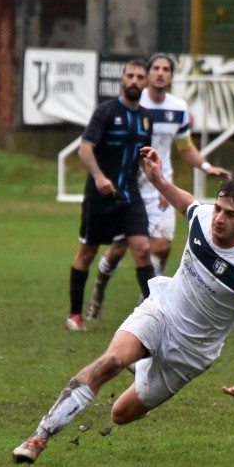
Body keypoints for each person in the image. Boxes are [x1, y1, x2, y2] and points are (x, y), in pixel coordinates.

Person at [13, 146, 234, 464]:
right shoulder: (204, 218)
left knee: (119, 414)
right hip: (161, 312)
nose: (219, 218)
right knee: (110, 362)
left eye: (230, 215)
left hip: (190, 354)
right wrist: (159, 180)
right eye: (218, 208)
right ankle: (38, 437)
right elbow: (185, 202)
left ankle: (141, 365)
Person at [86, 53, 231, 321]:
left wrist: (206, 167)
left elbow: (185, 148)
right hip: (130, 186)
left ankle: (150, 303)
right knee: (119, 249)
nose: (161, 73)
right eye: (156, 69)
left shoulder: (178, 108)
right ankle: (98, 292)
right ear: (147, 74)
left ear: (172, 76)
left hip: (160, 186)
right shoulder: (133, 104)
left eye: (166, 69)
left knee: (161, 246)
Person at [65, 58, 155, 331]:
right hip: (100, 195)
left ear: (146, 82)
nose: (135, 81)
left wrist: (159, 186)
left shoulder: (146, 119)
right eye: (130, 76)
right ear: (122, 79)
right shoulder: (105, 111)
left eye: (140, 77)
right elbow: (85, 148)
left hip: (130, 195)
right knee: (88, 251)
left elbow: (144, 159)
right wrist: (99, 177)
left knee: (142, 250)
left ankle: (155, 315)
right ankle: (75, 315)